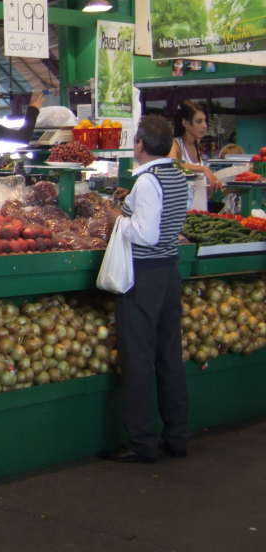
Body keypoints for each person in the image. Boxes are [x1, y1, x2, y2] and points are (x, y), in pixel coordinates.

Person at [103, 114, 189, 464]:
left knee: (137, 358)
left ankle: (142, 443)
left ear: (139, 144)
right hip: (169, 273)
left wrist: (117, 220)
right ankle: (177, 437)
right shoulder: (178, 176)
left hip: (145, 274)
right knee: (169, 357)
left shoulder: (148, 182)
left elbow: (145, 234)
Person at [168, 100, 222, 208]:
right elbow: (172, 164)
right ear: (185, 123)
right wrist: (203, 169)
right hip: (183, 214)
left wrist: (212, 187)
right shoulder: (175, 144)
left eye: (205, 121)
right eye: (199, 121)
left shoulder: (197, 147)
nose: (205, 126)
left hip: (200, 212)